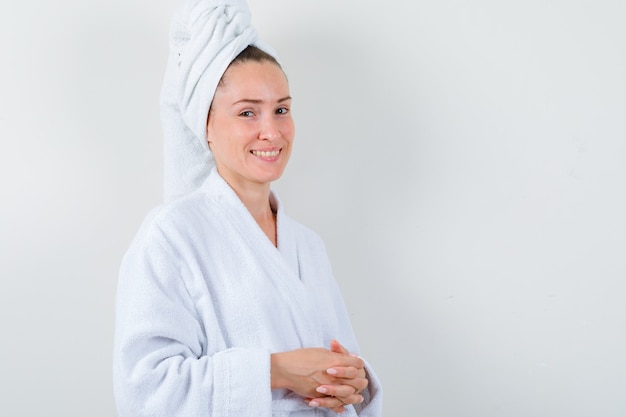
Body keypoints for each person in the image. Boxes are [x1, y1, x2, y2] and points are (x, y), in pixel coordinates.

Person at [113, 1, 383, 416]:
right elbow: (145, 390)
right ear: (206, 124)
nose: (271, 131)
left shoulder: (307, 246)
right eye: (247, 113)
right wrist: (277, 371)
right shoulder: (171, 235)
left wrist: (354, 382)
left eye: (281, 109)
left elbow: (341, 367)